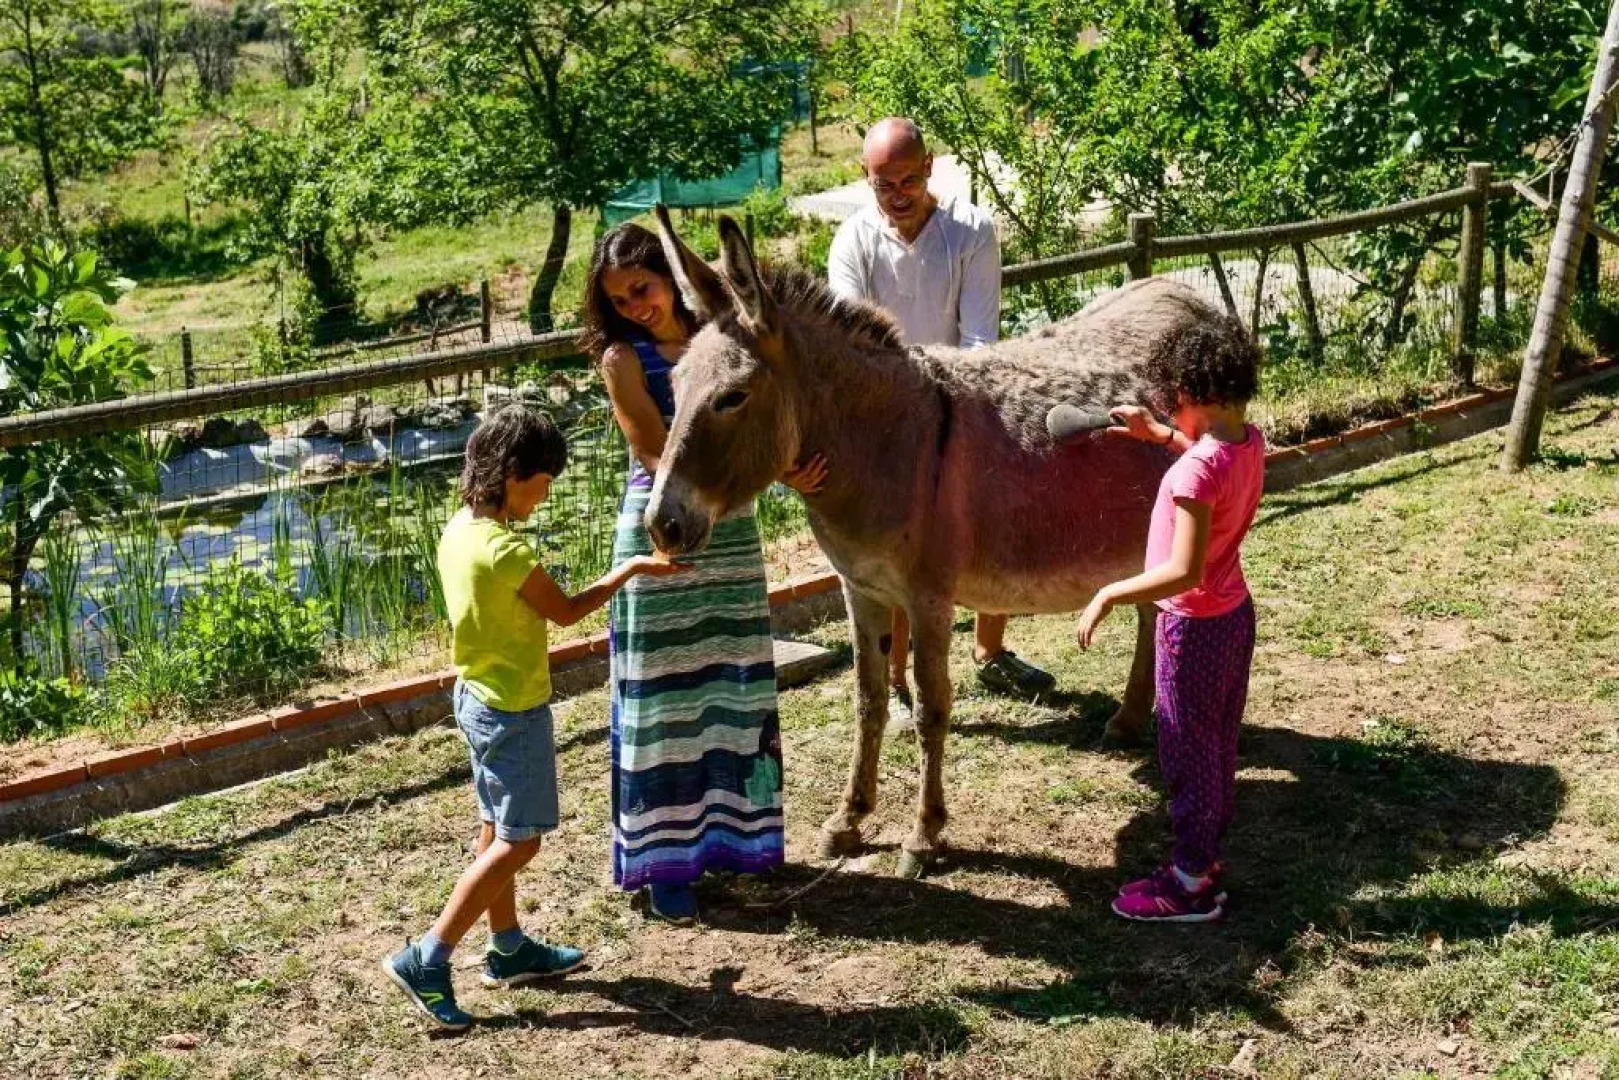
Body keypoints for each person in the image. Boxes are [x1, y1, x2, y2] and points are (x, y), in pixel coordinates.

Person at [383, 404, 688, 1031]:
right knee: (521, 841)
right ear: (513, 472)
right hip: (512, 710)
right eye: (543, 483)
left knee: (496, 832)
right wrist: (632, 567)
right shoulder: (505, 551)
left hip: (474, 698)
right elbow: (569, 610)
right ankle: (428, 956)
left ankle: (509, 948)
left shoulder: (458, 530)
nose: (543, 498)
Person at [583, 223, 827, 925]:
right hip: (665, 523)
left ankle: (736, 844)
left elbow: (761, 415)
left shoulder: (721, 335)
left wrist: (779, 464)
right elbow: (653, 444)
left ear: (668, 277)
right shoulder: (620, 358)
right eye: (619, 298)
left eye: (643, 288)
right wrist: (764, 470)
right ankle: (665, 864)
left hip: (729, 522)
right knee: (667, 698)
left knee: (732, 687)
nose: (635, 305)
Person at [827, 116, 1055, 723]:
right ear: (865, 179)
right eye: (884, 184)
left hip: (964, 398)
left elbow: (981, 337)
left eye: (907, 178)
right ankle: (897, 680)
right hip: (882, 415)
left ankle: (991, 650)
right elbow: (854, 343)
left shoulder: (972, 231)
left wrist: (943, 409)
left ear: (930, 167)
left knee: (991, 521)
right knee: (902, 545)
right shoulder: (851, 242)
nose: (898, 194)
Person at [1072, 317, 1264, 923]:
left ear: (1197, 399)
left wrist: (1110, 592)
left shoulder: (1193, 475)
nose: (1169, 409)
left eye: (1173, 401)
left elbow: (1183, 572)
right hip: (1234, 615)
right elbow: (1211, 461)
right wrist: (1158, 435)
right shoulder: (1248, 441)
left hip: (1193, 625)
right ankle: (1202, 859)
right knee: (1217, 743)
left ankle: (1188, 884)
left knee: (1185, 750)